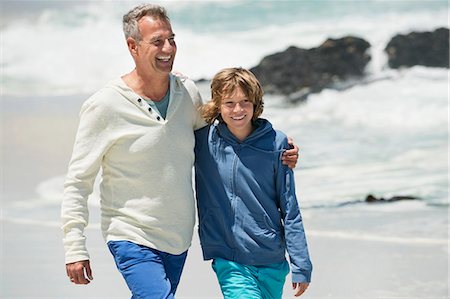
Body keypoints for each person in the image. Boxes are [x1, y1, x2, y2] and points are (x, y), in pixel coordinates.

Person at [61, 4, 300, 299]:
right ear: (133, 46)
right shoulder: (105, 106)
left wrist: (276, 145)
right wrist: (75, 247)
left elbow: (225, 137)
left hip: (177, 239)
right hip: (130, 234)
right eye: (157, 41)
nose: (168, 48)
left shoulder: (187, 92)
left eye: (171, 39)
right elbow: (78, 181)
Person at [194, 67, 312, 298]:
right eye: (229, 102)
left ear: (256, 104)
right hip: (229, 257)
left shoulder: (276, 144)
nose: (238, 109)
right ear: (218, 105)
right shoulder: (203, 142)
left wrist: (301, 263)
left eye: (245, 101)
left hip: (271, 258)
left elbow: (290, 209)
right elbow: (165, 137)